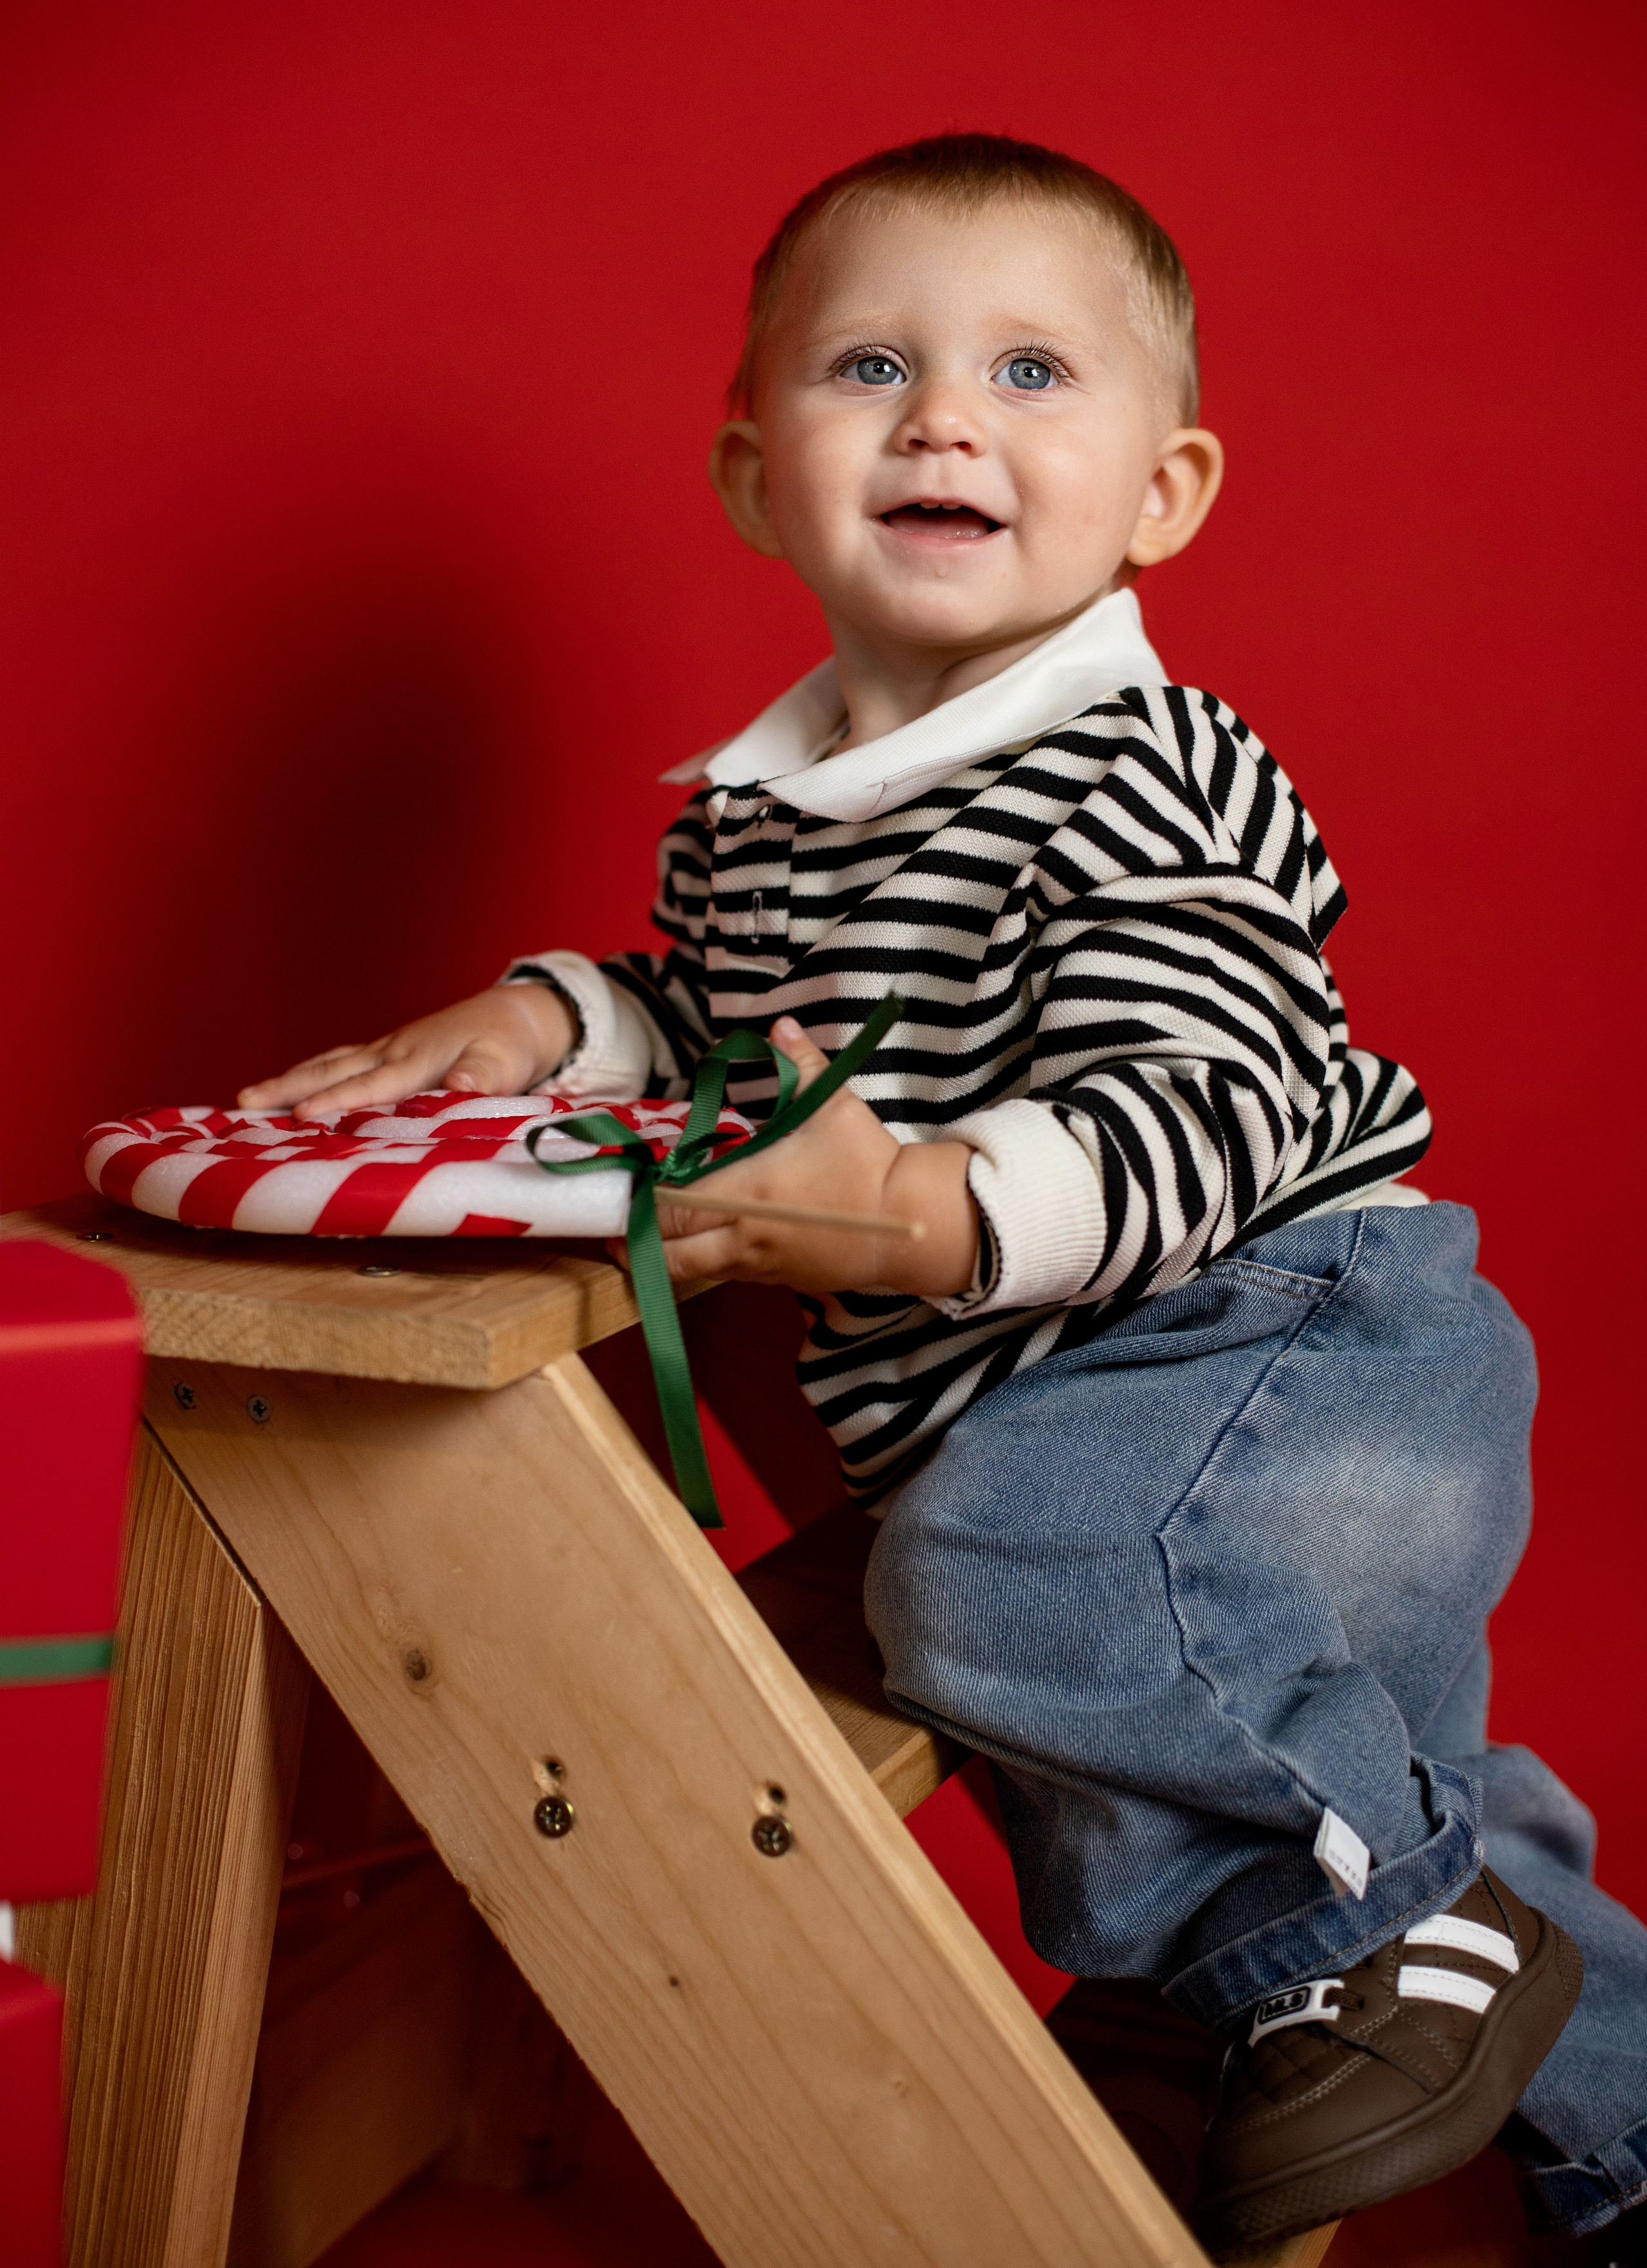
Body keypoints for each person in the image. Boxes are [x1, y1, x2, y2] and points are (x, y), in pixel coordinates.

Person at [241, 134, 1646, 2252]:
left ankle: (1294, 1957)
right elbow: (727, 1029)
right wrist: (551, 1022)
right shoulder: (762, 821)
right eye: (874, 365)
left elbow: (1217, 1094)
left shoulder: (1142, 767)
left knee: (987, 1571)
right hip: (1130, 1397)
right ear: (753, 477)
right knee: (1146, 1647)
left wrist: (920, 1217)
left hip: (1295, 1340)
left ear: (1164, 493)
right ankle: (1558, 2054)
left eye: (1030, 374)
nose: (947, 420)